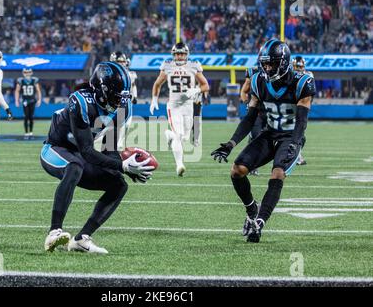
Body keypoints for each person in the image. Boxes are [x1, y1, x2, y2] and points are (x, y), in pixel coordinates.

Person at [41, 61, 154, 254]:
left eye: (122, 97)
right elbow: (86, 150)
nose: (120, 102)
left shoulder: (123, 107)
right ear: (101, 89)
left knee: (119, 184)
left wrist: (125, 167)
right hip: (55, 149)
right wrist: (123, 165)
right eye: (116, 96)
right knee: (75, 166)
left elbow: (109, 149)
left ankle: (82, 239)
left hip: (77, 155)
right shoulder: (81, 101)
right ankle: (54, 232)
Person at [211, 39, 316, 243]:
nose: (267, 68)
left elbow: (301, 121)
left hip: (289, 136)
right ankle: (252, 209)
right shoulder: (259, 81)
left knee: (277, 173)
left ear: (284, 62)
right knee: (237, 170)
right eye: (265, 63)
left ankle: (259, 223)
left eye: (271, 63)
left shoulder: (302, 83)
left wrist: (294, 143)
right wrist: (231, 144)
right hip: (269, 133)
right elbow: (250, 118)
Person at [150, 42, 209, 176]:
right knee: (179, 135)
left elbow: (205, 85)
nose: (180, 56)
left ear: (187, 54)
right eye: (177, 54)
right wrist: (154, 99)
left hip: (188, 106)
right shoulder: (167, 65)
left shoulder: (194, 65)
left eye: (182, 53)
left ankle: (169, 135)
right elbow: (157, 84)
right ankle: (179, 165)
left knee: (185, 138)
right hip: (174, 105)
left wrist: (195, 89)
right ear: (173, 54)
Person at [240, 64, 267, 175]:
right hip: (256, 110)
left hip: (270, 111)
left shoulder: (280, 72)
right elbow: (243, 91)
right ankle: (252, 166)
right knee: (257, 137)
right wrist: (248, 104)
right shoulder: (253, 71)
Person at [292, 56, 313, 165]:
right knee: (295, 134)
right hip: (290, 107)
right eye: (297, 66)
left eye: (301, 66)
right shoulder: (289, 75)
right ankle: (297, 157)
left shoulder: (308, 75)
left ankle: (297, 155)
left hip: (301, 106)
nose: (299, 68)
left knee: (301, 135)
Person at [14, 68, 42, 139]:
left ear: (31, 73)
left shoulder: (34, 80)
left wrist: (39, 100)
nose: (27, 73)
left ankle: (31, 132)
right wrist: (16, 100)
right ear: (23, 73)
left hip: (32, 100)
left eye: (28, 72)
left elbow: (38, 91)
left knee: (31, 117)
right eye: (26, 72)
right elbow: (17, 91)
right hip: (25, 101)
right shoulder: (21, 81)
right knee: (26, 117)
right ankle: (26, 133)